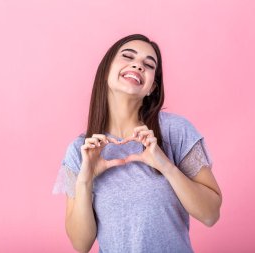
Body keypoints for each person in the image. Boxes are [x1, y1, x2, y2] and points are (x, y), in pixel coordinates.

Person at [52, 34, 222, 253]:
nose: (138, 65)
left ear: (152, 87)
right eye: (128, 56)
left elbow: (210, 215)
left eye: (148, 64)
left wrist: (165, 165)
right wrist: (85, 180)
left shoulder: (176, 131)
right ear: (106, 70)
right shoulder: (80, 151)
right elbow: (80, 244)